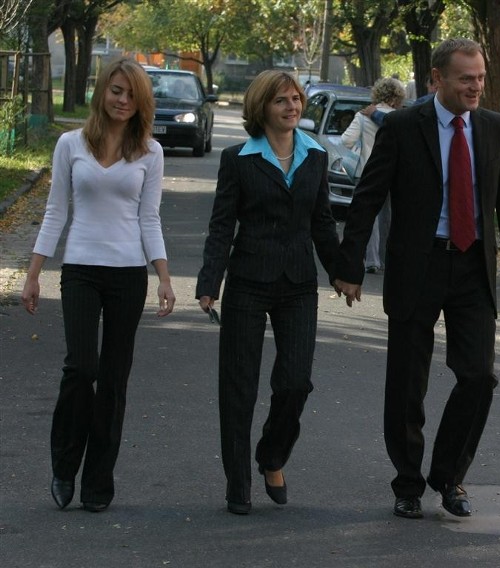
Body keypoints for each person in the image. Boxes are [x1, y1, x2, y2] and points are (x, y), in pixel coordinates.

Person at [334, 38, 500, 520]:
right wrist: (349, 267)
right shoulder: (403, 126)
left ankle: (448, 476)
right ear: (436, 80)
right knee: (408, 382)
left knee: (479, 376)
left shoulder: (492, 127)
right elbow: (368, 196)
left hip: (472, 267)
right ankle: (408, 482)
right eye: (466, 78)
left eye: (481, 77)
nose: (476, 86)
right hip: (418, 265)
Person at [21, 57, 176, 513]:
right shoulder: (70, 144)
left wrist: (164, 277)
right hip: (81, 270)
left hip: (128, 274)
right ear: (102, 92)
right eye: (116, 90)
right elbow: (56, 211)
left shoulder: (150, 152)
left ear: (141, 102)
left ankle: (98, 481)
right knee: (81, 369)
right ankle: (64, 465)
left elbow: (149, 218)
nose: (122, 100)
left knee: (113, 379)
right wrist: (33, 273)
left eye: (131, 94)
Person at [195, 70, 339, 515]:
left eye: (295, 99)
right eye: (281, 100)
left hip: (298, 284)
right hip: (248, 282)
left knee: (296, 382)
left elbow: (322, 221)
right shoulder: (238, 159)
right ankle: (237, 484)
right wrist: (209, 282)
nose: (292, 106)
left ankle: (272, 455)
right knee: (238, 387)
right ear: (262, 107)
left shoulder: (315, 155)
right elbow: (223, 225)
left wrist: (341, 273)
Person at [341, 77, 406, 273]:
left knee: (369, 216)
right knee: (389, 217)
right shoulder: (401, 118)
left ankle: (371, 260)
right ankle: (387, 258)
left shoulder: (363, 116)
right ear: (396, 97)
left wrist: (360, 148)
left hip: (366, 171)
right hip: (394, 174)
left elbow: (346, 140)